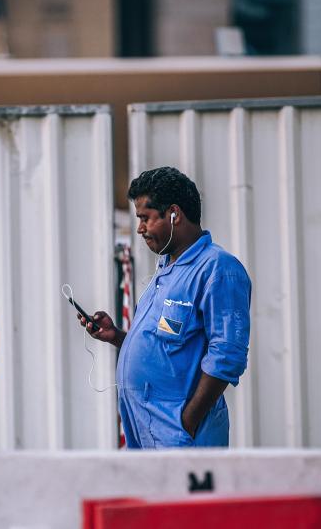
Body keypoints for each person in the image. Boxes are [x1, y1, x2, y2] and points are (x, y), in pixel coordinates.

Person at [80, 166, 251, 448]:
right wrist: (118, 337)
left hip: (180, 435)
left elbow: (228, 354)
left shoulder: (218, 269)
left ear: (174, 214)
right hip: (147, 431)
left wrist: (188, 420)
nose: (140, 229)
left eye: (145, 218)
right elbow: (167, 349)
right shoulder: (166, 269)